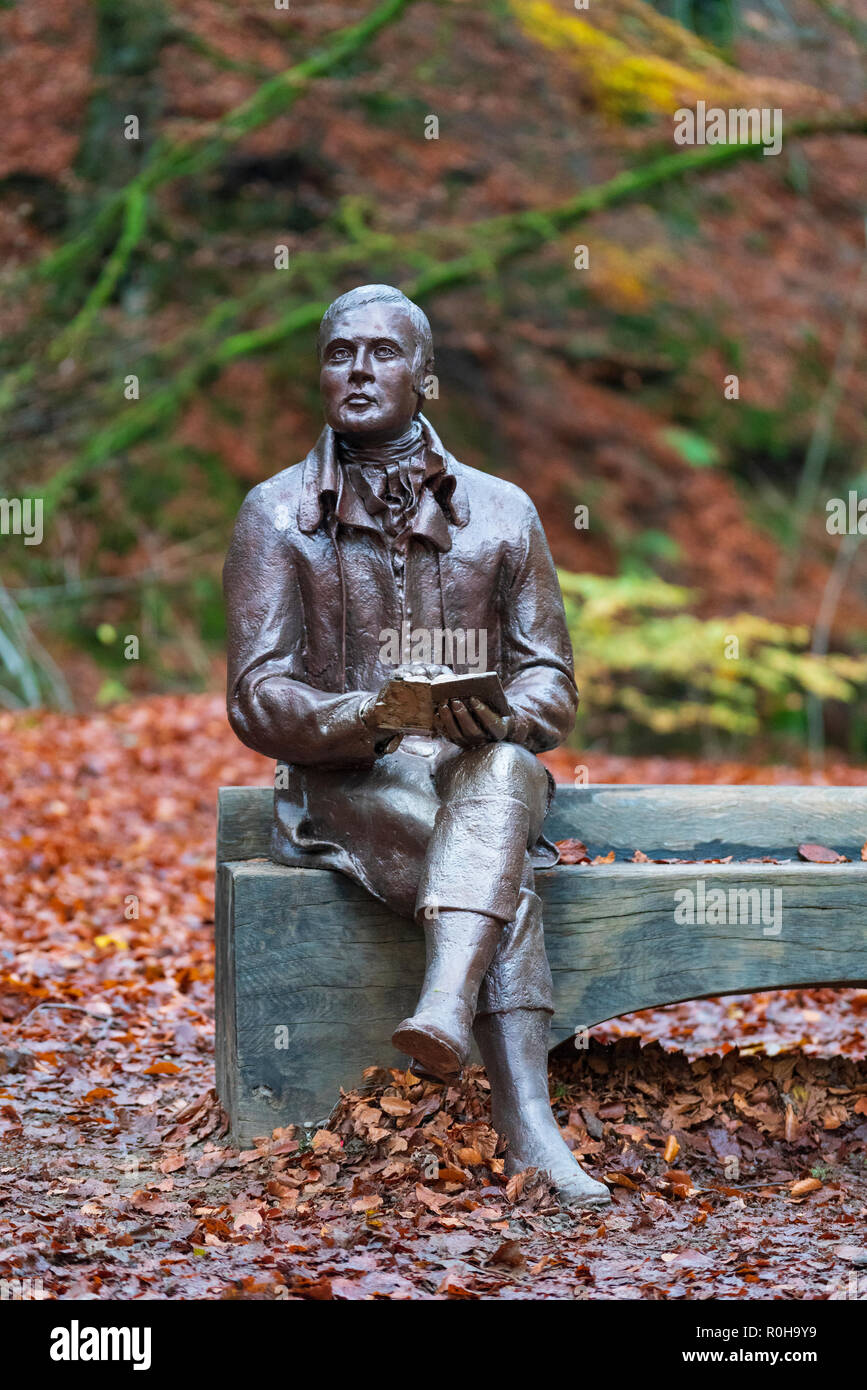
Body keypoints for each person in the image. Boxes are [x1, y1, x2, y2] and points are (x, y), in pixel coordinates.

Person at [224, 284, 610, 1208]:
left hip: (478, 771)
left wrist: (508, 719)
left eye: (382, 353)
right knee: (493, 864)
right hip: (343, 784)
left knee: (507, 768)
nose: (356, 371)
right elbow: (255, 696)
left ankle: (444, 1009)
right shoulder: (275, 515)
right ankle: (529, 1129)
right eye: (337, 354)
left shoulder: (503, 511)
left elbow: (548, 683)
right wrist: (369, 715)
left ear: (426, 375)